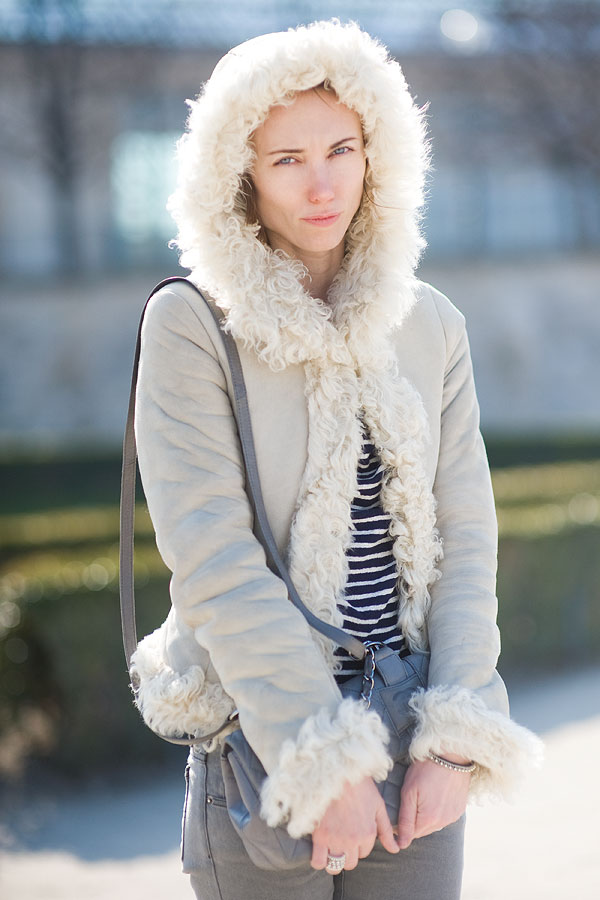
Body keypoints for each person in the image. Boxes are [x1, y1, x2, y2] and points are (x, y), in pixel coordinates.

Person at [130, 19, 543, 900]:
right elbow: (212, 556)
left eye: (341, 148)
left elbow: (468, 535)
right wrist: (321, 757)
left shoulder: (429, 321)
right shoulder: (193, 324)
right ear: (239, 171)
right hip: (267, 736)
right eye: (286, 160)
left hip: (414, 724)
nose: (322, 184)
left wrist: (456, 733)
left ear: (378, 149)